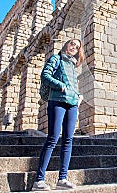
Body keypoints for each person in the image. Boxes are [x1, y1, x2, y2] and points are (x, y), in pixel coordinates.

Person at [32, 39, 84, 191]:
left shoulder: (73, 65)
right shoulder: (56, 58)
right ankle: (39, 180)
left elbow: (73, 85)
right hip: (57, 101)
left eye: (77, 46)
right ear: (66, 44)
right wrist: (60, 86)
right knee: (53, 138)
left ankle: (62, 178)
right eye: (72, 44)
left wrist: (79, 95)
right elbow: (45, 76)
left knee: (68, 140)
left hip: (72, 104)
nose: (74, 47)